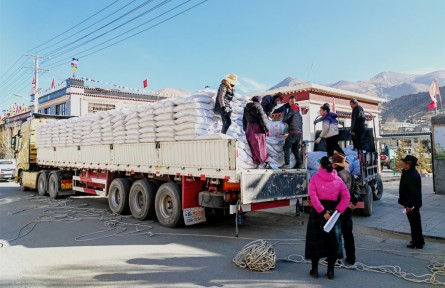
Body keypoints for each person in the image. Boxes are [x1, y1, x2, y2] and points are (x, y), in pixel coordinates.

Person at [305, 156, 350, 280]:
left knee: (315, 242)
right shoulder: (338, 180)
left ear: (320, 166)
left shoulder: (314, 179)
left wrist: (322, 211)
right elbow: (346, 197)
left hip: (318, 213)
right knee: (333, 242)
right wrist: (337, 211)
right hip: (333, 214)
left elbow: (313, 197)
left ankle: (314, 271)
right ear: (332, 165)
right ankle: (331, 272)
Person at [332, 153, 357, 265]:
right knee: (348, 235)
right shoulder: (350, 175)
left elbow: (337, 194)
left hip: (338, 209)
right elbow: (356, 191)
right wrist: (353, 203)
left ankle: (336, 258)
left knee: (336, 235)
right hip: (348, 209)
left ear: (336, 165)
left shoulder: (335, 176)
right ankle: (351, 258)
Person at [398, 155, 425, 249]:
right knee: (414, 223)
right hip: (410, 203)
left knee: (415, 224)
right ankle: (417, 240)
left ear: (408, 164)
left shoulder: (412, 176)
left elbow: (414, 193)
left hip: (412, 204)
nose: (402, 163)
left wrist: (409, 206)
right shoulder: (409, 173)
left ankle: (418, 243)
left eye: (404, 162)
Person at [243, 96, 271, 169]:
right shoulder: (259, 107)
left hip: (249, 128)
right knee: (261, 146)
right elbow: (262, 119)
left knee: (253, 147)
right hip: (257, 128)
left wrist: (245, 129)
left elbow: (244, 120)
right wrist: (267, 130)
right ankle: (266, 163)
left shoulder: (246, 108)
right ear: (259, 101)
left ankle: (256, 163)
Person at [280, 103, 303, 169]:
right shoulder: (299, 115)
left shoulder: (292, 111)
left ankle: (287, 164)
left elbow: (284, 119)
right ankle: (300, 164)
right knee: (295, 149)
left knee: (286, 147)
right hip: (299, 134)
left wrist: (284, 114)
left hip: (293, 133)